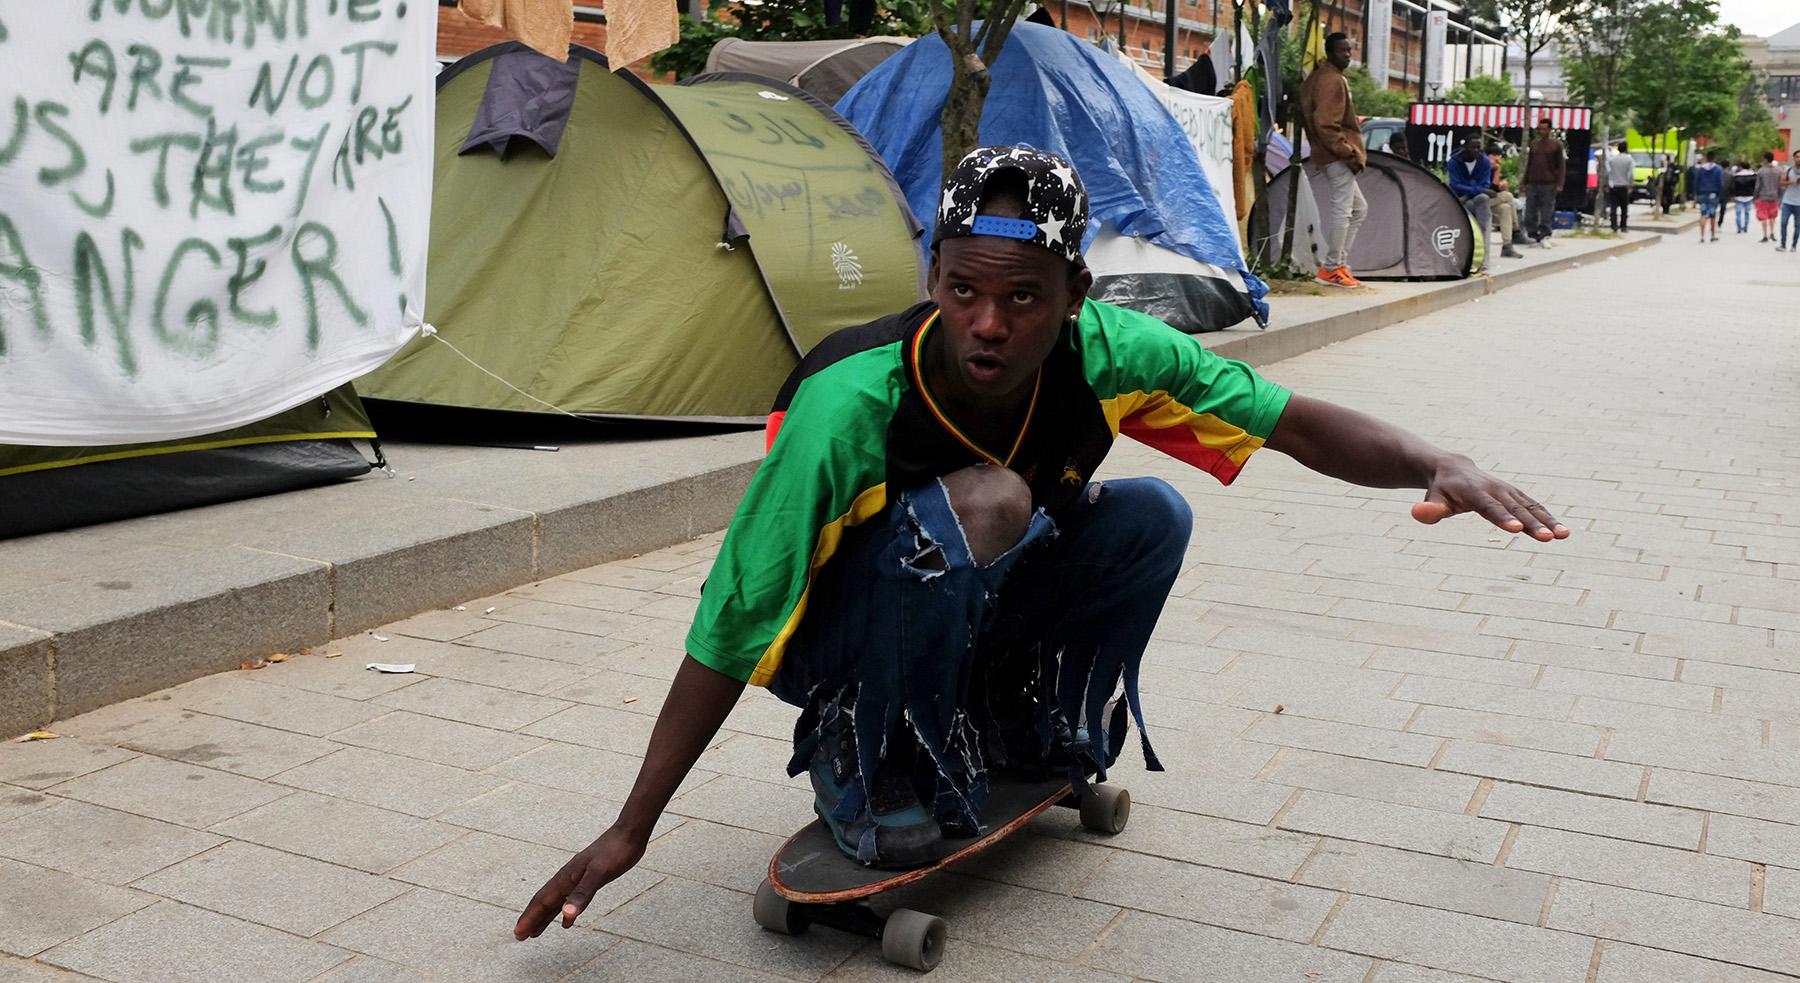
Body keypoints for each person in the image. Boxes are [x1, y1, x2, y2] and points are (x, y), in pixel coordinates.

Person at [510, 145, 1572, 940]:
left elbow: (1287, 419)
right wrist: (630, 825)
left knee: (1151, 514)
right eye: (964, 291)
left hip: (958, 602)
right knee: (990, 501)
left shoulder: (1115, 353)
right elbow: (734, 616)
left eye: (1022, 299)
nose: (987, 323)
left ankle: (1018, 715)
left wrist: (1441, 461)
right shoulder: (850, 405)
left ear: (1075, 298)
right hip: (832, 644)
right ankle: (868, 753)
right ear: (934, 281)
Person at [1297, 32, 1369, 289]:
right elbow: (1325, 123)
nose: (1347, 55)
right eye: (1342, 51)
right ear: (1329, 52)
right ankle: (1332, 268)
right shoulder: (1331, 80)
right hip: (1336, 156)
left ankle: (1338, 264)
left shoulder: (1320, 77)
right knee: (1344, 211)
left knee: (1359, 210)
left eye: (1350, 50)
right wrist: (1348, 152)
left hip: (1330, 154)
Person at [1447, 137, 1495, 272]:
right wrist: (1475, 191)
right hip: (1460, 199)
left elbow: (1485, 184)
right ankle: (1466, 258)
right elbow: (1455, 184)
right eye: (1473, 147)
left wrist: (1469, 193)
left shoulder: (1484, 161)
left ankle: (1483, 260)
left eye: (1478, 147)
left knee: (1483, 200)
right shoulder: (1454, 162)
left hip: (1471, 197)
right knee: (1468, 214)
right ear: (1465, 148)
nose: (1476, 150)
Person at [1522, 117, 1564, 248]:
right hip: (1533, 182)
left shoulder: (1556, 145)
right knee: (1530, 211)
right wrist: (1524, 181)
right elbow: (1529, 164)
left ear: (1549, 130)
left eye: (1544, 129)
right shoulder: (1534, 144)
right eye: (1540, 129)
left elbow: (1561, 165)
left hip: (1549, 183)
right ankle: (1532, 235)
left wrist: (1559, 183)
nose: (1542, 131)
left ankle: (1545, 234)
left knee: (1547, 211)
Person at [1486, 145, 1523, 257]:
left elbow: (1495, 188)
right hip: (1480, 199)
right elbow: (1487, 187)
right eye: (1493, 156)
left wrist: (1499, 175)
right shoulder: (1483, 165)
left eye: (1498, 156)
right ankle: (1516, 230)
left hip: (1491, 201)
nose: (1496, 159)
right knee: (1508, 196)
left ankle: (1507, 246)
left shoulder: (1495, 167)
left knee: (1506, 208)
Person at [1693, 150, 1724, 243]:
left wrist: (1696, 193)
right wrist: (1720, 193)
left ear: (1706, 158)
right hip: (1713, 194)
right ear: (1714, 158)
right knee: (1712, 215)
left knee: (1703, 214)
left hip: (1702, 194)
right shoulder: (1718, 169)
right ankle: (1712, 235)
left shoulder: (1701, 169)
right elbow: (1720, 183)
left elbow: (1696, 182)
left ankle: (1702, 236)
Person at [1603, 140, 1634, 233]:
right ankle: (1623, 226)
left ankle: (1614, 225)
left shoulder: (1612, 159)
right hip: (1624, 186)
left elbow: (1608, 172)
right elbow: (1630, 174)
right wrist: (1630, 184)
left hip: (1614, 185)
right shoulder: (1629, 160)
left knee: (1613, 206)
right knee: (1624, 208)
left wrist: (1608, 183)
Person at [1755, 151, 1782, 243]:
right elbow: (1780, 185)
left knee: (1764, 217)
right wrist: (1780, 196)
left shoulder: (1761, 171)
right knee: (1772, 217)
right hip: (1774, 197)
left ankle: (1765, 235)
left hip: (1763, 197)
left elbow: (1757, 186)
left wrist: (1755, 197)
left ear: (1765, 159)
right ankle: (1772, 233)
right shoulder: (1778, 170)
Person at [1780, 155, 1800, 253]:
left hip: (1799, 204)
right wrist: (1792, 182)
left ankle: (1794, 246)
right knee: (1783, 223)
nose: (1798, 158)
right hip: (1787, 202)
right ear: (1794, 158)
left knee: (1798, 226)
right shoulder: (1788, 170)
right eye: (1797, 157)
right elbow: (1781, 182)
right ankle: (1783, 245)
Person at [1730, 160, 1756, 235]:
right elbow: (1755, 186)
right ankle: (1745, 228)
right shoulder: (1753, 176)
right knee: (1747, 213)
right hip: (1749, 196)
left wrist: (1732, 195)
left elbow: (1733, 187)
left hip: (1739, 196)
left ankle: (1738, 228)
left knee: (1738, 213)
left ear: (1741, 167)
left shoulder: (1736, 176)